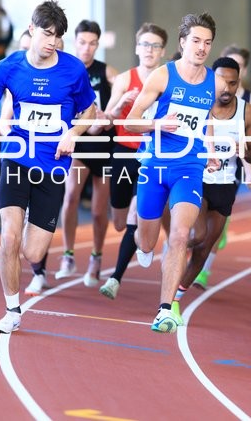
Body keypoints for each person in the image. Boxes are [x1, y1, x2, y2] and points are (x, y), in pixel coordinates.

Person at [0, 0, 96, 334]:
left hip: (53, 165)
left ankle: (32, 232)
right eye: (47, 33)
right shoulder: (8, 67)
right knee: (8, 238)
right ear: (31, 28)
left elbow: (90, 112)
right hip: (16, 157)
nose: (52, 42)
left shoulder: (73, 70)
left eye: (58, 36)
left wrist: (73, 132)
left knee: (32, 250)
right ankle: (12, 310)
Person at [124, 12, 220, 333]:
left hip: (189, 168)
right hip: (155, 165)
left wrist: (209, 147)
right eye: (195, 41)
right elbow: (130, 121)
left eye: (207, 43)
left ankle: (165, 309)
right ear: (182, 43)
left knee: (180, 235)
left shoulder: (213, 82)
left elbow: (205, 119)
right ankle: (143, 244)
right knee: (148, 242)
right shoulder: (162, 77)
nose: (202, 48)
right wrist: (156, 124)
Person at [170, 56, 251, 322]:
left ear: (238, 83)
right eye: (222, 83)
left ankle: (175, 299)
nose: (226, 89)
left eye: (232, 84)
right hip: (196, 179)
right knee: (196, 235)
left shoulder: (246, 112)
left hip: (225, 184)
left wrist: (244, 150)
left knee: (206, 245)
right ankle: (173, 250)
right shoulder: (200, 103)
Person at [43, 20, 118, 291]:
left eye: (92, 43)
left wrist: (112, 113)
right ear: (75, 42)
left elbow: (121, 97)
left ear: (98, 44)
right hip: (79, 143)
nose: (87, 48)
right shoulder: (68, 69)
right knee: (71, 196)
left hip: (105, 147)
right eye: (83, 42)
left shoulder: (107, 71)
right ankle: (68, 255)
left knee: (99, 211)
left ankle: (96, 258)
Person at [99, 22, 168, 300]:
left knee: (134, 216)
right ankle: (139, 238)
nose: (149, 50)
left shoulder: (167, 80)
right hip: (124, 152)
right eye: (145, 45)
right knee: (118, 220)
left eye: (155, 46)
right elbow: (105, 119)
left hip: (152, 153)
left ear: (162, 51)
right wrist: (120, 104)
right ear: (137, 48)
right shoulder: (125, 79)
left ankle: (115, 278)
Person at [221, 44, 251, 110]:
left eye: (238, 65)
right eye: (229, 64)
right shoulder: (212, 97)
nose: (233, 68)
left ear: (245, 70)